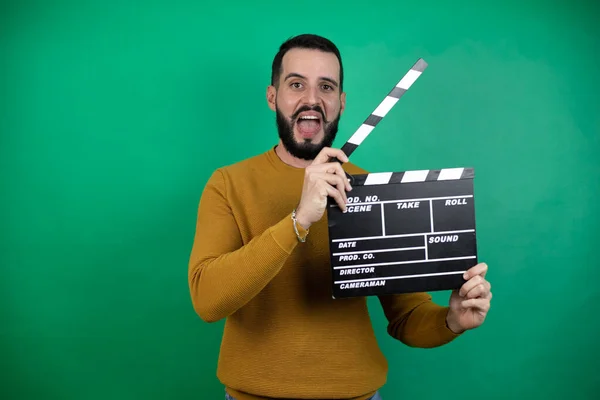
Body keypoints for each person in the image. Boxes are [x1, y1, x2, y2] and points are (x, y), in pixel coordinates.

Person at [187, 34, 492, 400]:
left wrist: (452, 320)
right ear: (273, 97)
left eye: (326, 87)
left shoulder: (369, 188)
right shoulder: (228, 184)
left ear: (341, 103)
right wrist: (298, 220)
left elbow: (407, 316)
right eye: (296, 84)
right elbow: (208, 301)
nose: (311, 99)